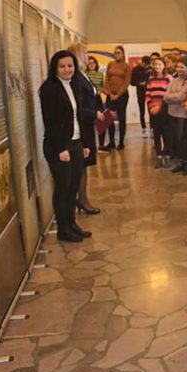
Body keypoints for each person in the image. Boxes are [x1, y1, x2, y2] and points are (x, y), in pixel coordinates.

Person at [39, 50, 94, 242]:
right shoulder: (48, 89)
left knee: (73, 187)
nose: (67, 69)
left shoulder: (74, 85)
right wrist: (61, 148)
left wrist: (84, 143)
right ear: (55, 68)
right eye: (62, 66)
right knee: (62, 188)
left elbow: (78, 117)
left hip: (76, 142)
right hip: (59, 146)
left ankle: (72, 224)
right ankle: (63, 229)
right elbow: (50, 121)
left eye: (70, 65)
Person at [67, 43, 103, 215]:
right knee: (81, 164)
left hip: (88, 124)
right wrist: (94, 113)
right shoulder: (76, 78)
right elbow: (78, 106)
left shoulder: (83, 75)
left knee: (84, 164)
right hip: (82, 126)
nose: (88, 57)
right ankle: (81, 200)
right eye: (85, 54)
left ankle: (83, 198)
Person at [164, 56, 187, 175]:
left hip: (184, 114)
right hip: (172, 112)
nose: (179, 69)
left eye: (182, 67)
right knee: (176, 139)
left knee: (182, 138)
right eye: (177, 67)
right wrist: (174, 97)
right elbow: (165, 96)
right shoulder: (173, 80)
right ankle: (181, 162)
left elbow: (182, 97)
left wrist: (172, 97)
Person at [102, 45, 131, 150]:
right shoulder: (110, 64)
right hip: (111, 95)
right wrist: (110, 93)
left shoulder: (126, 66)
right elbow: (107, 79)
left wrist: (118, 95)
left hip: (122, 95)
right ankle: (112, 141)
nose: (117, 54)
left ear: (122, 54)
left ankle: (121, 142)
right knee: (109, 118)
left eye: (119, 53)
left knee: (121, 118)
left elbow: (126, 82)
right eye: (115, 53)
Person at [146, 57, 172, 168]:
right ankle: (159, 156)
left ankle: (167, 155)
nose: (157, 66)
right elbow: (148, 94)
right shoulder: (150, 79)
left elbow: (169, 94)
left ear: (164, 66)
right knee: (156, 134)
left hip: (165, 110)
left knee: (166, 134)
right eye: (155, 64)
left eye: (159, 64)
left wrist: (160, 107)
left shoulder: (168, 78)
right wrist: (151, 107)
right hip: (153, 110)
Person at [131, 55, 151, 138]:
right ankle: (144, 129)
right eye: (144, 64)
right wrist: (139, 83)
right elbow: (132, 82)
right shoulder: (135, 69)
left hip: (151, 92)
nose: (146, 66)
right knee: (141, 111)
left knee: (151, 111)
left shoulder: (151, 69)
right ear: (141, 62)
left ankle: (152, 129)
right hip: (140, 92)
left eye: (147, 65)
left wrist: (147, 83)